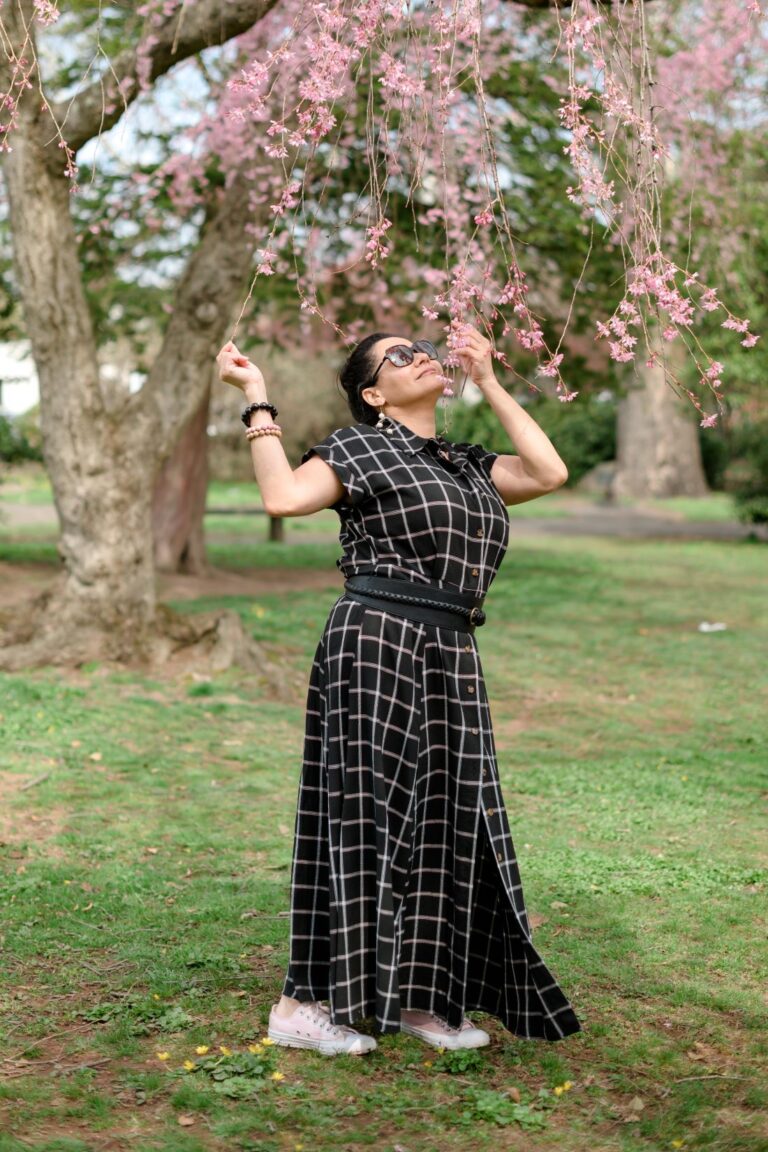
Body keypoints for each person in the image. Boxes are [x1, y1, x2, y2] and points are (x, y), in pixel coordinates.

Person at [216, 325, 582, 1057]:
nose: (421, 355)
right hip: (375, 640)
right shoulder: (356, 449)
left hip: (450, 650)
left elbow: (548, 472)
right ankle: (300, 1004)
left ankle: (416, 996)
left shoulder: (469, 465)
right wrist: (257, 400)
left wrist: (492, 380)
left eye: (422, 347)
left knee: (447, 822)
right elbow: (285, 498)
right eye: (399, 355)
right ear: (374, 394)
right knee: (360, 816)